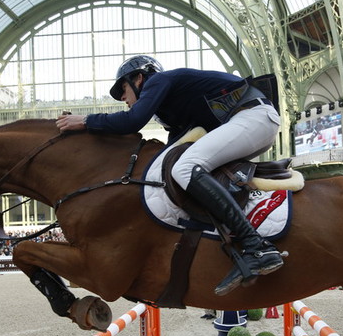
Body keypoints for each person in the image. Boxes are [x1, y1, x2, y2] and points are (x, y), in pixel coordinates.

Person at [56, 55, 284, 295]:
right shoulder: (171, 107)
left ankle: (256, 246)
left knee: (185, 169)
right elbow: (171, 148)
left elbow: (131, 122)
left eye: (122, 89)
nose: (122, 98)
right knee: (178, 170)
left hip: (253, 117)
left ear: (139, 78)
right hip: (250, 121)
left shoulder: (159, 81)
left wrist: (86, 120)